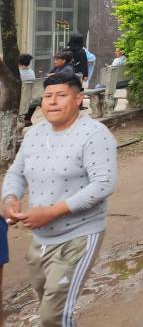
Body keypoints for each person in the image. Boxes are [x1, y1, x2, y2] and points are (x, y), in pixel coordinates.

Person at [2, 71, 117, 327]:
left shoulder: (94, 135)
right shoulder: (34, 135)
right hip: (40, 240)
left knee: (53, 316)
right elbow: (16, 172)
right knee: (48, 306)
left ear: (78, 99)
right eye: (47, 96)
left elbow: (104, 184)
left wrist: (53, 211)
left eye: (61, 95)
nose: (52, 101)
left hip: (78, 236)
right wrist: (10, 198)